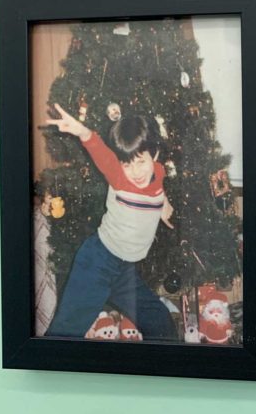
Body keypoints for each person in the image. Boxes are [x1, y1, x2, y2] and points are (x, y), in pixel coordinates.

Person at [45, 103, 177, 340]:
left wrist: (163, 204)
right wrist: (80, 131)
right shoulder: (118, 177)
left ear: (154, 156)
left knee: (161, 322)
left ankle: (165, 368)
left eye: (140, 162)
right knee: (67, 330)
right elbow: (99, 150)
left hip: (124, 271)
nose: (135, 172)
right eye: (127, 164)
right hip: (97, 262)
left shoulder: (157, 171)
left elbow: (157, 185)